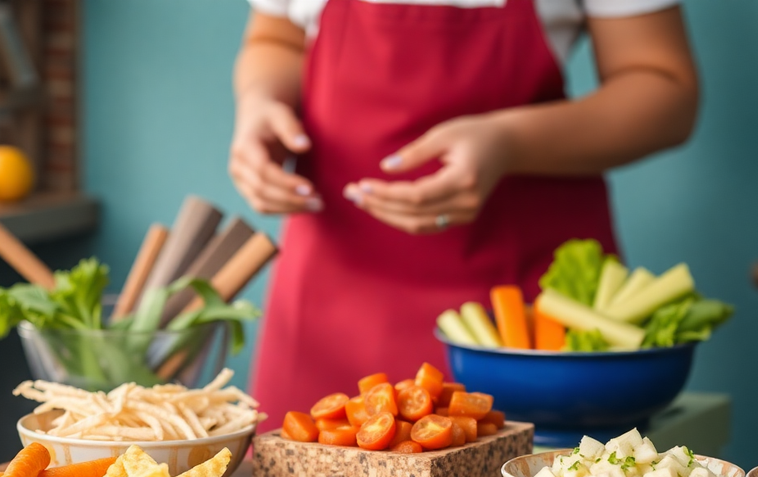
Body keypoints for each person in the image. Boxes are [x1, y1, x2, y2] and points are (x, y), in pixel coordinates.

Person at [230, 0, 699, 429]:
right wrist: (260, 103)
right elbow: (276, 39)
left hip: (517, 311)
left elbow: (665, 87)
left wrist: (510, 143)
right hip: (328, 292)